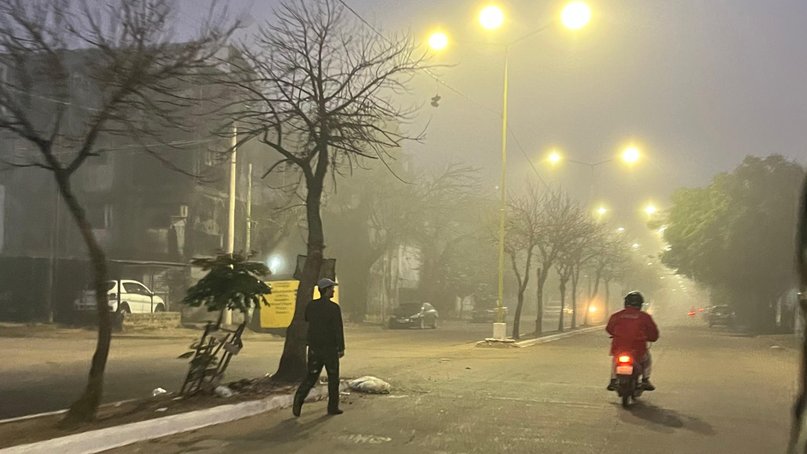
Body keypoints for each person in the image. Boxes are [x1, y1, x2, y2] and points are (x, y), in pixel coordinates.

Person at [293, 278, 345, 416]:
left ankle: (298, 399)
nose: (333, 290)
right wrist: (341, 347)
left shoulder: (311, 306)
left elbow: (307, 320)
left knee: (311, 376)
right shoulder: (334, 308)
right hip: (330, 349)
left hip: (314, 348)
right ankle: (332, 407)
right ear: (326, 290)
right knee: (333, 378)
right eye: (331, 288)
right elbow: (338, 329)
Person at [606, 291, 660, 391]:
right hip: (638, 348)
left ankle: (613, 380)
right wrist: (651, 338)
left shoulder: (617, 316)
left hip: (619, 346)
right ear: (640, 304)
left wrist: (616, 334)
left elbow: (609, 328)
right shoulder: (645, 317)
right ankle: (645, 379)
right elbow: (653, 332)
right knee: (647, 360)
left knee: (615, 360)